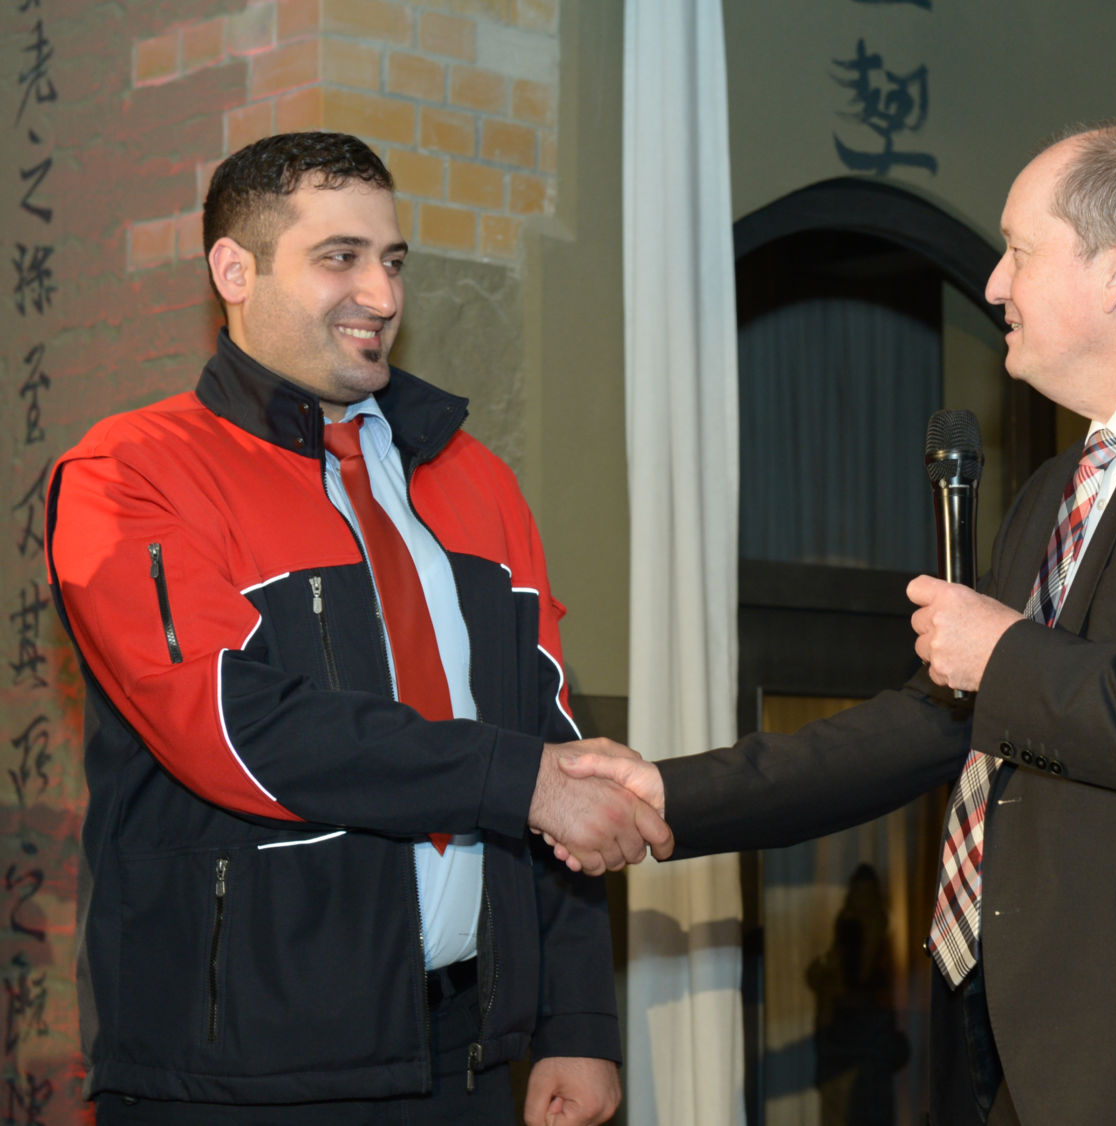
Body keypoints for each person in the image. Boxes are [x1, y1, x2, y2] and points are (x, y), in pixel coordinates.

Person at [557, 119, 1116, 1125]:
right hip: (1025, 1052)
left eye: (1021, 251)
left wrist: (1005, 653)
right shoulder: (1053, 490)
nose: (993, 284)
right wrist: (665, 792)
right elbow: (936, 722)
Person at [44, 131, 668, 1125]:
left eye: (392, 261)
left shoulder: (478, 482)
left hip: (461, 1061)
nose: (380, 295)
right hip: (235, 1074)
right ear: (233, 270)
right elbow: (234, 727)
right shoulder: (128, 475)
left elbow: (553, 752)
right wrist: (521, 784)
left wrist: (579, 1022)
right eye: (339, 257)